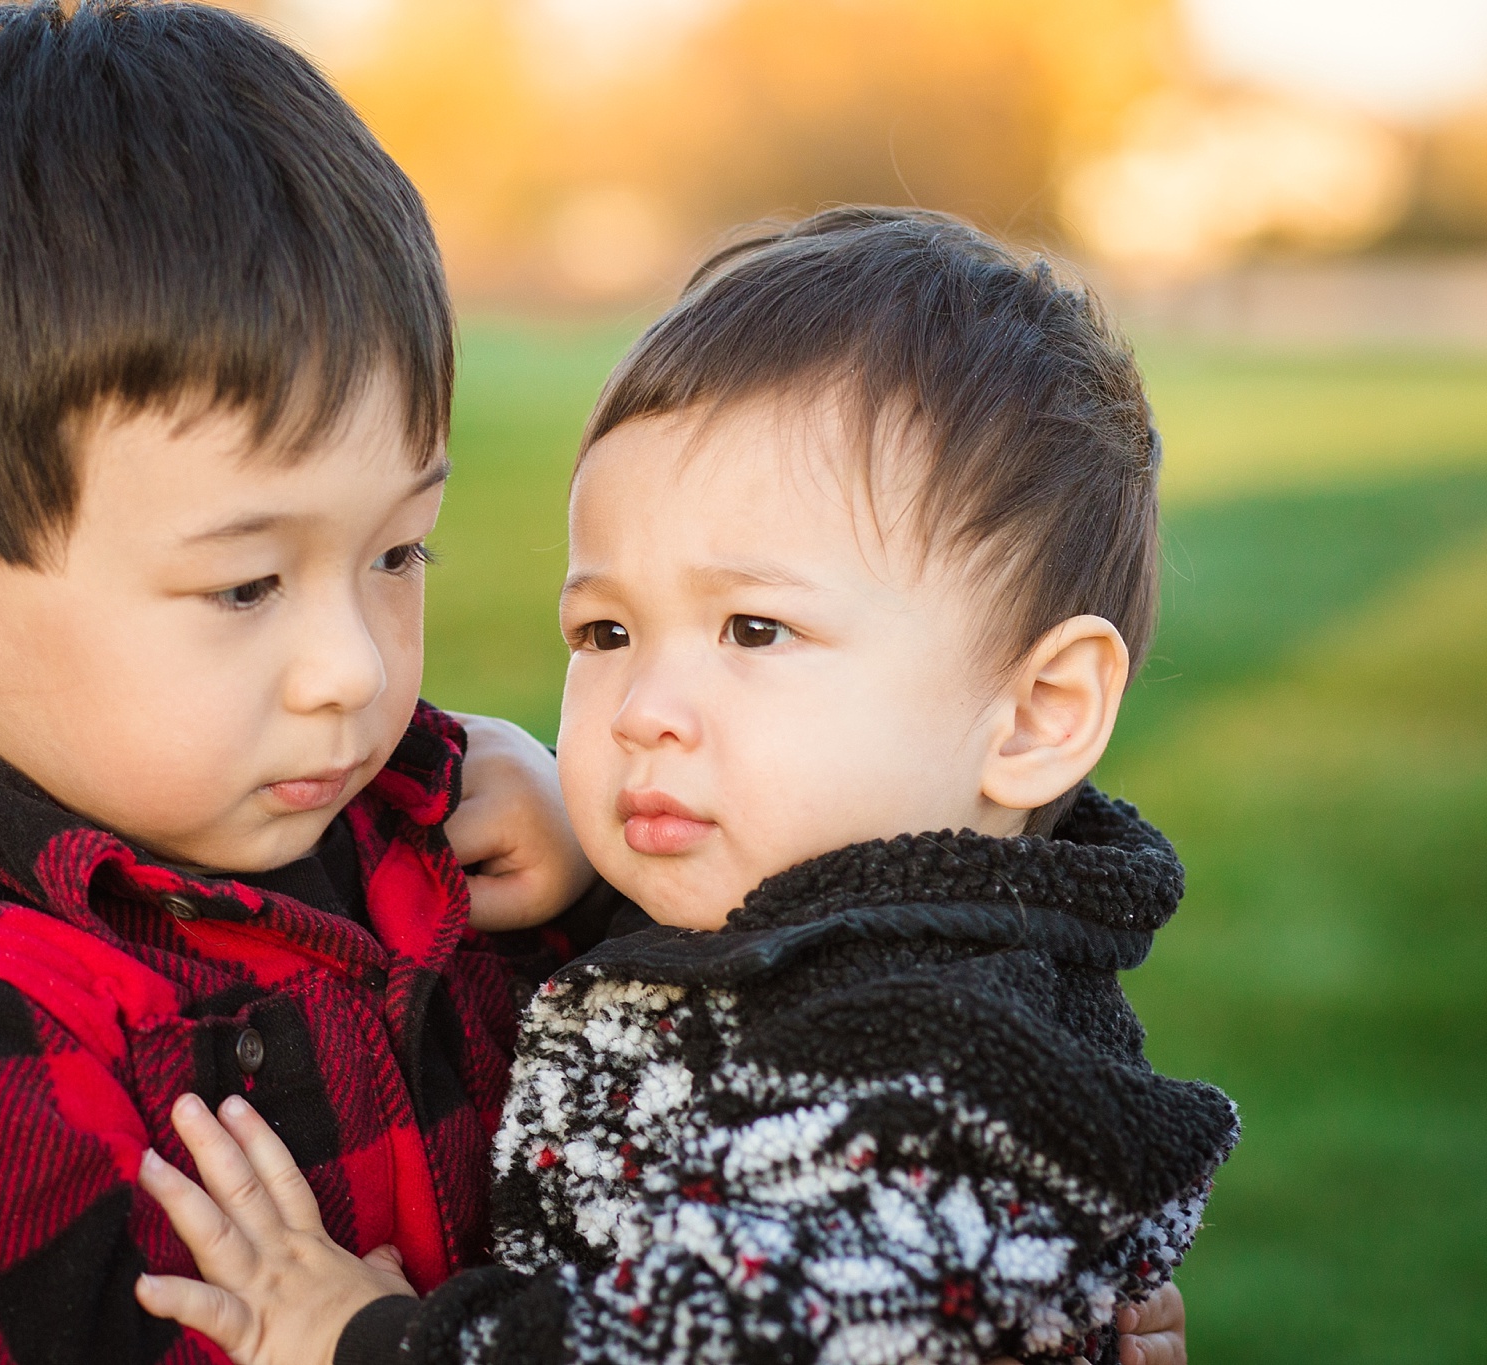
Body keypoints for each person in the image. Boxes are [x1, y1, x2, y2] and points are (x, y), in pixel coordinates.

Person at [131, 209, 1238, 1365]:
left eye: (752, 629)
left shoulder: (949, 1073)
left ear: (1035, 714)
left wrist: (366, 1341)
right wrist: (586, 855)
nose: (639, 708)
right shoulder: (859, 943)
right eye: (604, 629)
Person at [0, 5, 607, 1362]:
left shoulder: (451, 833)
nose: (356, 667)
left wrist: (606, 861)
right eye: (246, 586)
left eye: (399, 549)